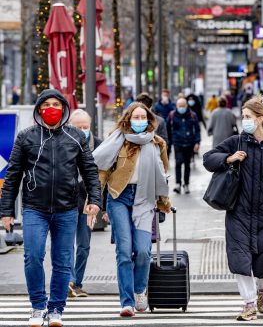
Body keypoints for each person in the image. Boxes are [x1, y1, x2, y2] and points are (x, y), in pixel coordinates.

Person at [0, 89, 102, 327]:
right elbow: (13, 175)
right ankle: (37, 307)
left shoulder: (76, 136)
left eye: (56, 104)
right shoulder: (26, 137)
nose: (52, 108)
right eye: (46, 104)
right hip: (35, 208)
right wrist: (6, 212)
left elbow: (90, 171)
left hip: (67, 209)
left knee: (63, 261)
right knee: (33, 256)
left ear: (64, 108)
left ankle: (56, 308)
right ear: (38, 109)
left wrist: (95, 200)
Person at [203, 96, 263, 321]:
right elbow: (208, 159)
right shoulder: (236, 142)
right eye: (242, 116)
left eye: (248, 117)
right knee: (240, 260)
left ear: (261, 119)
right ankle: (249, 304)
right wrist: (229, 158)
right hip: (239, 212)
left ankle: (262, 289)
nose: (244, 121)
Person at [92, 102, 171, 317]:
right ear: (128, 119)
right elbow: (102, 170)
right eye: (135, 117)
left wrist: (164, 201)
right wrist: (94, 200)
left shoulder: (157, 143)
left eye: (142, 117)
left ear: (149, 120)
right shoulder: (117, 141)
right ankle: (126, 302)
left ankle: (139, 291)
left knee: (144, 251)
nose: (139, 121)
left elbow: (163, 174)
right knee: (124, 251)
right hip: (119, 197)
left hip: (145, 198)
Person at [67, 109, 103, 299]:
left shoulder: (99, 145)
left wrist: (102, 206)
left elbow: (103, 178)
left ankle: (77, 282)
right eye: (77, 127)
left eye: (85, 127)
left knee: (83, 245)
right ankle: (69, 281)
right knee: (66, 244)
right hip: (67, 202)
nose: (82, 130)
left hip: (88, 203)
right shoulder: (64, 142)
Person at [167, 98, 201, 194]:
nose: (181, 108)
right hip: (177, 143)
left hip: (189, 143)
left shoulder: (192, 115)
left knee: (187, 164)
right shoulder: (172, 115)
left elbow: (197, 130)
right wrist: (168, 142)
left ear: (186, 106)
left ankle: (186, 184)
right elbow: (168, 129)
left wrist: (197, 142)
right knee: (178, 163)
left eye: (183, 106)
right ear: (176, 106)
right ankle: (178, 183)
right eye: (179, 106)